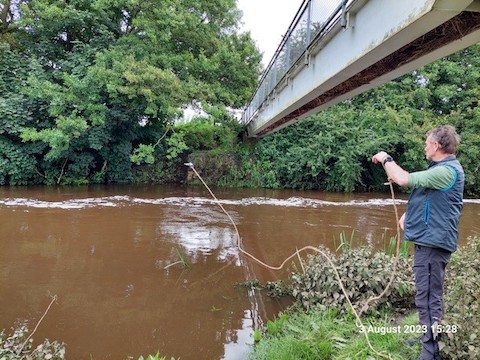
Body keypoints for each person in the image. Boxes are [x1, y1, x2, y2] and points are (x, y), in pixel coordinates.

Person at [372, 125, 464, 360]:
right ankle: (428, 338)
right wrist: (408, 215)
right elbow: (429, 199)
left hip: (434, 245)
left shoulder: (447, 171)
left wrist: (386, 158)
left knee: (429, 298)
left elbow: (403, 179)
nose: (424, 146)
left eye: (426, 142)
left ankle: (431, 352)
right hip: (429, 241)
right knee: (425, 294)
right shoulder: (440, 170)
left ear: (436, 146)